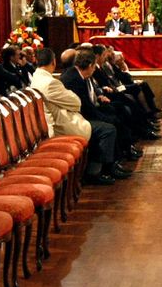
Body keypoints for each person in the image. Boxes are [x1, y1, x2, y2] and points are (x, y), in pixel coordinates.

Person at [51, 47, 130, 184]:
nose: (94, 70)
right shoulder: (73, 79)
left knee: (113, 118)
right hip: (73, 120)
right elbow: (84, 107)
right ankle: (97, 171)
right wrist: (105, 119)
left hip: (81, 114)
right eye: (94, 67)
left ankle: (112, 164)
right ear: (88, 66)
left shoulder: (78, 75)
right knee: (108, 128)